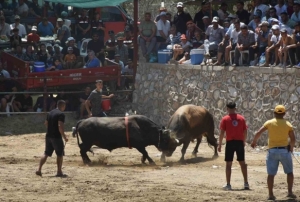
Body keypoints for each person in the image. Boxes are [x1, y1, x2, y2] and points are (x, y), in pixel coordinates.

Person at [251, 105, 296, 201]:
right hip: (284, 151)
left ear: (274, 113)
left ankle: (271, 195)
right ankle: (290, 192)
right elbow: (293, 138)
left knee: (271, 174)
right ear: (284, 114)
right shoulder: (288, 124)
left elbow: (258, 132)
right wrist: (291, 147)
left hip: (272, 151)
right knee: (289, 172)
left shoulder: (269, 123)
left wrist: (254, 142)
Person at [218, 101, 249, 191]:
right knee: (242, 163)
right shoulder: (241, 118)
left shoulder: (225, 119)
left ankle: (228, 184)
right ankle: (246, 183)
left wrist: (219, 144)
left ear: (227, 109)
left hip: (230, 143)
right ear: (235, 108)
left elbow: (221, 133)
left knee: (228, 164)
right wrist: (244, 141)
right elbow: (245, 131)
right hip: (239, 142)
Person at [36, 100, 68, 177]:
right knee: (59, 154)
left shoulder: (50, 113)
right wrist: (64, 137)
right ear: (63, 106)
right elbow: (60, 126)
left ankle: (39, 169)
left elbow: (46, 123)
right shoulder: (61, 114)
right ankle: (59, 171)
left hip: (48, 136)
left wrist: (50, 129)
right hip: (56, 137)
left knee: (46, 153)